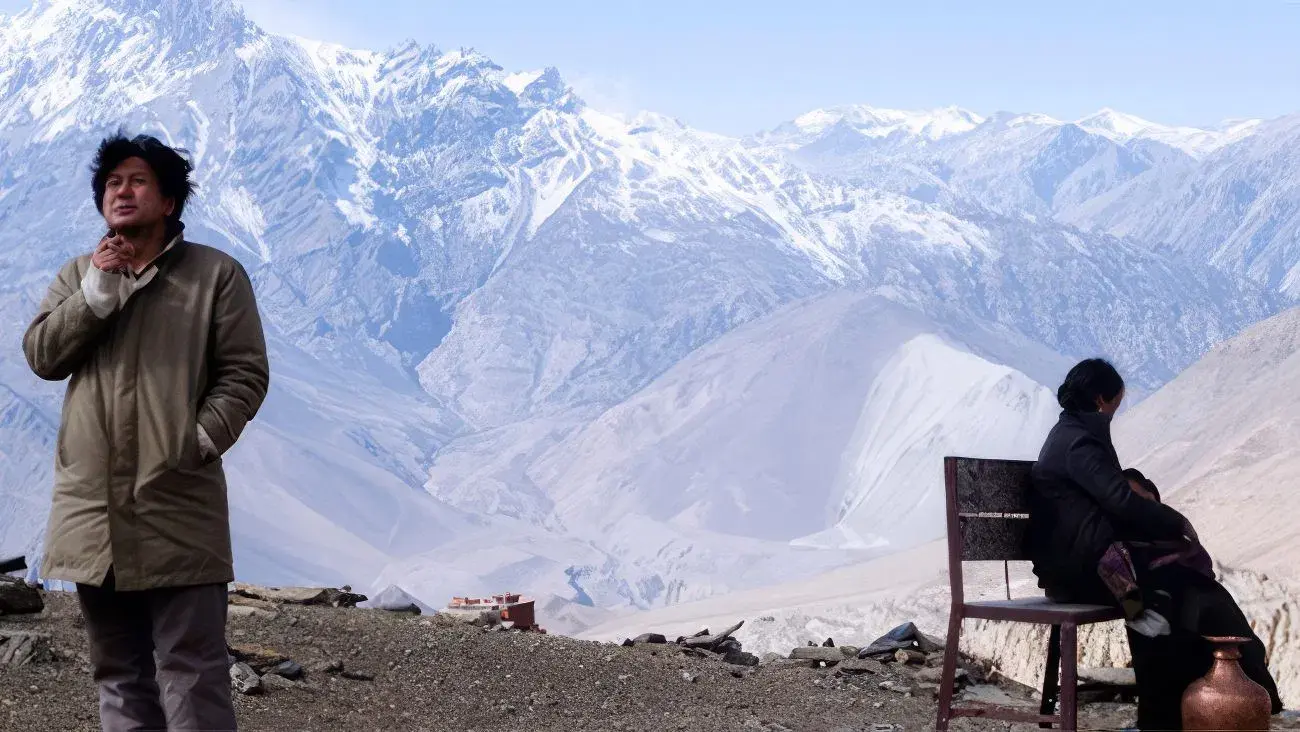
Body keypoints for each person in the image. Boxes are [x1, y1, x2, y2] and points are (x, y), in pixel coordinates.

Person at [23, 132, 270, 732]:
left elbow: (244, 373)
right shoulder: (79, 275)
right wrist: (97, 294)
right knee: (118, 673)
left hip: (177, 503)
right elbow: (43, 356)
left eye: (137, 181)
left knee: (192, 671)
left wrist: (198, 441)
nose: (122, 191)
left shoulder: (215, 276)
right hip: (93, 513)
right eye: (112, 183)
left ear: (169, 202)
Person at [1027, 358, 1281, 731]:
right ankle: (1173, 714)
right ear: (1101, 400)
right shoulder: (1079, 443)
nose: (1116, 411)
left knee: (1190, 593)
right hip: (1084, 570)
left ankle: (1215, 701)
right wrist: (1177, 522)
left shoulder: (1076, 435)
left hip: (1096, 563)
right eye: (1116, 403)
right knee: (1164, 600)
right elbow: (1120, 501)